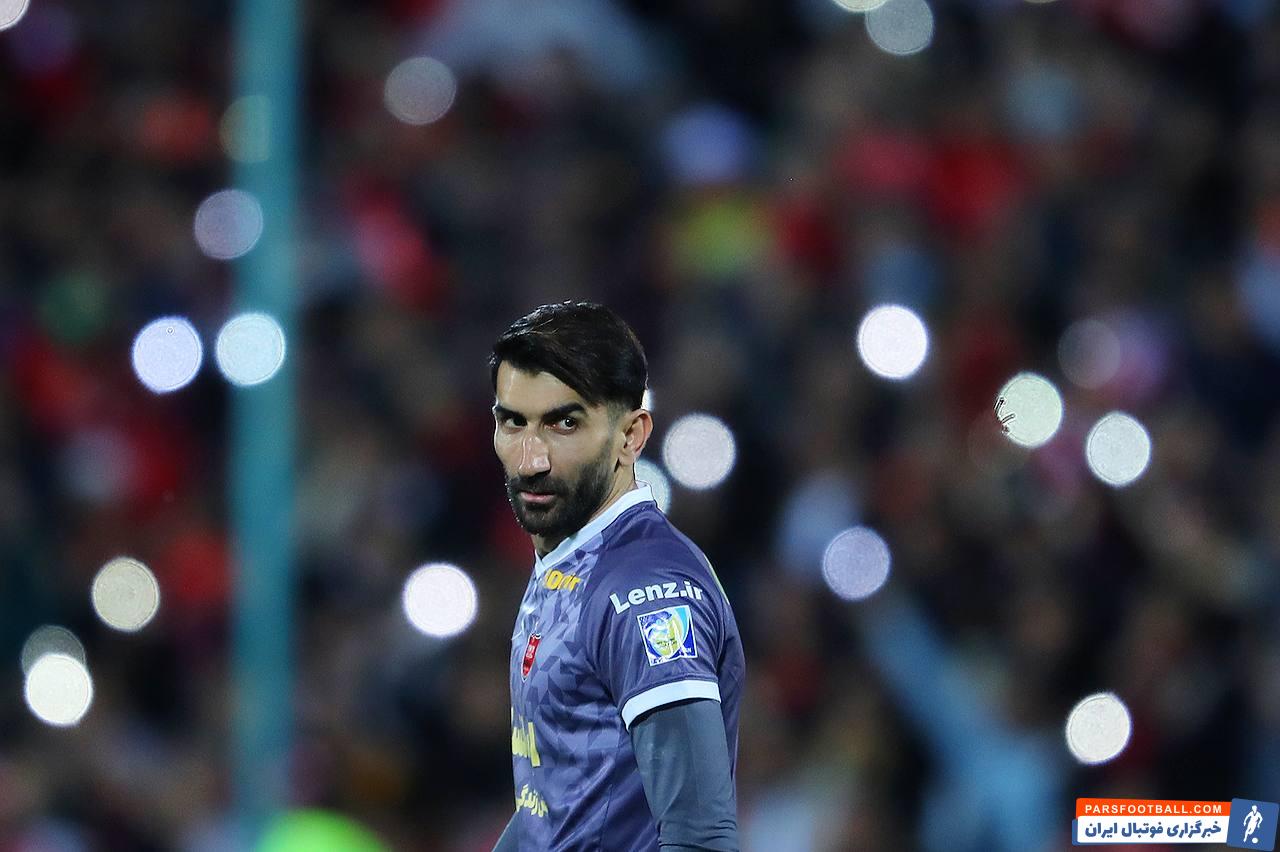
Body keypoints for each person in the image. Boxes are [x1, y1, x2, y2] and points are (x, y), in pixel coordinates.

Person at [488, 301, 744, 851]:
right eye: (513, 422)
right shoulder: (570, 561)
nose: (531, 460)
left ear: (631, 435)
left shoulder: (644, 591)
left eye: (564, 424)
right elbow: (549, 812)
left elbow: (700, 836)